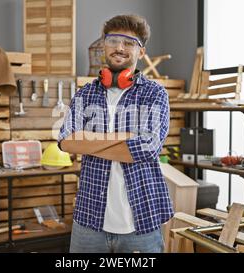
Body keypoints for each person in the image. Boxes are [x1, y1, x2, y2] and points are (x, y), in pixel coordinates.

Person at [58, 14, 173, 253]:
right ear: (104, 45)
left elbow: (146, 148)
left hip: (142, 221)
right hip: (89, 220)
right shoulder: (85, 94)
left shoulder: (154, 94)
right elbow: (67, 141)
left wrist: (87, 141)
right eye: (113, 41)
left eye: (129, 43)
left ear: (141, 52)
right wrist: (126, 136)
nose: (119, 47)